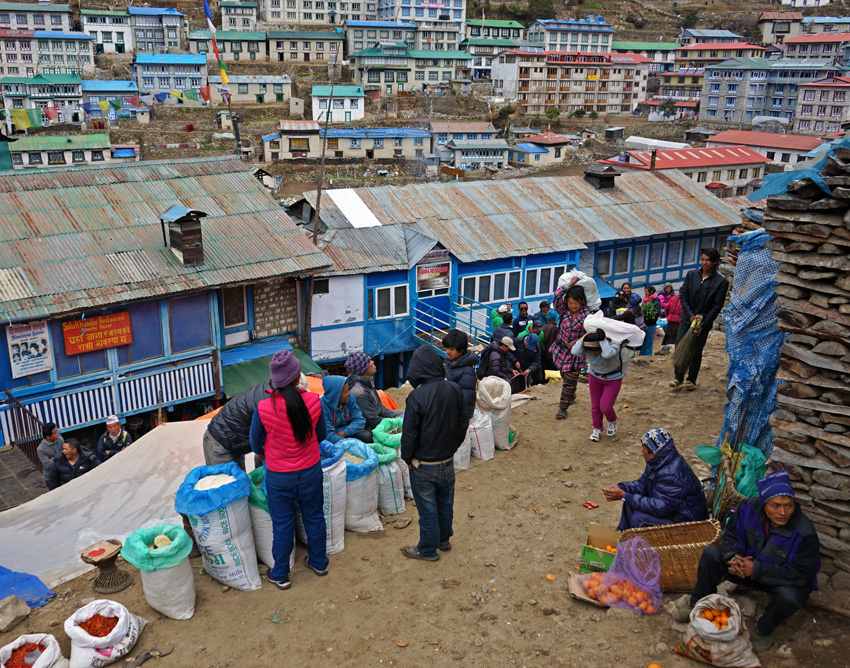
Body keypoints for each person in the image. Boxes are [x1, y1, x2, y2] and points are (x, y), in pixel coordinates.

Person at [673, 469, 820, 653]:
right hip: (742, 570)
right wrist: (733, 558)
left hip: (775, 580)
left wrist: (757, 569)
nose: (783, 512)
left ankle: (765, 629)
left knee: (790, 596)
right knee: (712, 554)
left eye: (788, 506)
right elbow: (731, 536)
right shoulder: (748, 509)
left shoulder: (804, 532)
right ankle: (697, 603)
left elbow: (802, 575)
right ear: (765, 503)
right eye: (776, 505)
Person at [250, 350, 328, 590]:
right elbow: (322, 436)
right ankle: (318, 562)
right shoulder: (314, 401)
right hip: (311, 472)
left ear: (274, 381)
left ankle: (281, 574)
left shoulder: (263, 408)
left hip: (279, 478)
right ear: (297, 378)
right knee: (314, 516)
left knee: (282, 524)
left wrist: (269, 450)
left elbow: (255, 444)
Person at [400, 345, 467, 561]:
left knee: (428, 509)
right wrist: (454, 447)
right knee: (445, 504)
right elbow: (462, 422)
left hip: (423, 465)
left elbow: (409, 434)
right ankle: (444, 540)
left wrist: (407, 458)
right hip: (447, 461)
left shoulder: (416, 397)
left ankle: (427, 549)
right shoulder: (455, 389)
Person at [603, 428, 708, 529]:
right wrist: (621, 489)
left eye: (643, 448)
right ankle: (620, 536)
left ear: (651, 452)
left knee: (639, 519)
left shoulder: (673, 474)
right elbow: (642, 485)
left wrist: (625, 495)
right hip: (671, 511)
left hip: (686, 521)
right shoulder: (657, 462)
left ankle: (632, 544)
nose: (641, 451)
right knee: (629, 502)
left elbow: (660, 507)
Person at [670, 248, 729, 391]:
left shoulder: (721, 282)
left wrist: (703, 323)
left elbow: (716, 306)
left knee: (696, 350)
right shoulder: (692, 275)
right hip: (687, 319)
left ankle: (691, 379)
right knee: (680, 346)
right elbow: (683, 295)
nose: (704, 263)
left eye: (708, 260)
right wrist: (690, 315)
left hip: (703, 322)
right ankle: (678, 377)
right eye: (703, 259)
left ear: (715, 262)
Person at [204, 376, 275, 471]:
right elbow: (262, 448)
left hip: (236, 444)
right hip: (219, 444)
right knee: (228, 484)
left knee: (242, 482)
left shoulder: (275, 386)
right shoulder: (271, 403)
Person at [572, 328, 625, 441]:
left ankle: (612, 420)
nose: (592, 353)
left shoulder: (614, 344)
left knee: (605, 407)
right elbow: (574, 351)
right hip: (595, 377)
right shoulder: (587, 347)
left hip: (613, 379)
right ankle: (597, 429)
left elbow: (607, 355)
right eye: (590, 351)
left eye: (595, 350)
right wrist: (584, 337)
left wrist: (602, 339)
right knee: (595, 405)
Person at [550, 285, 591, 420]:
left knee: (570, 381)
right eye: (570, 303)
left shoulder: (587, 316)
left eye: (576, 303)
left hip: (576, 353)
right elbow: (556, 297)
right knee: (564, 374)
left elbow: (590, 332)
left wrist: (576, 342)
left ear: (581, 301)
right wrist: (570, 284)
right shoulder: (564, 311)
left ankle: (562, 408)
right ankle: (571, 394)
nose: (573, 306)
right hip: (561, 350)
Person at [345, 353, 402, 435]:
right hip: (368, 428)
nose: (372, 362)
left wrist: (394, 416)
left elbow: (380, 407)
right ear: (363, 369)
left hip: (377, 419)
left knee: (404, 413)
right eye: (369, 361)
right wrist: (395, 421)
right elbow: (373, 420)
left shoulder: (367, 382)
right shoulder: (359, 392)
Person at [442, 329, 478, 426]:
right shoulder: (450, 363)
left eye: (452, 349)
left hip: (457, 415)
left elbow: (465, 399)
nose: (447, 352)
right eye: (446, 348)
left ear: (461, 349)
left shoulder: (467, 372)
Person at [321, 375, 370, 443]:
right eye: (346, 391)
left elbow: (360, 420)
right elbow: (328, 436)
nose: (349, 393)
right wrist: (351, 443)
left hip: (347, 431)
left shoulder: (350, 398)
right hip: (333, 437)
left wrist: (344, 433)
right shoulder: (322, 407)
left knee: (366, 436)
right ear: (336, 394)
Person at [639, 286, 661, 356]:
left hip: (651, 325)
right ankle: (641, 356)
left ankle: (647, 357)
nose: (645, 293)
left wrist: (650, 317)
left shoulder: (656, 301)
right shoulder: (645, 300)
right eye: (644, 291)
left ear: (651, 292)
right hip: (644, 324)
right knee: (644, 342)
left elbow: (657, 313)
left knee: (649, 343)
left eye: (646, 291)